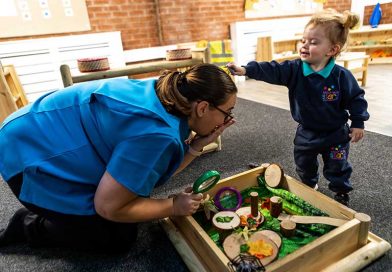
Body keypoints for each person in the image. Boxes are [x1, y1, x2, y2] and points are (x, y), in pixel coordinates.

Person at [0, 63, 237, 251]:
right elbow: (108, 207)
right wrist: (173, 206)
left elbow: (153, 169)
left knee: (135, 197)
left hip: (30, 127)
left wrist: (196, 146)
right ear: (203, 108)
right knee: (117, 236)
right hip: (26, 158)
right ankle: (30, 224)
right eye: (227, 113)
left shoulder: (168, 92)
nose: (226, 122)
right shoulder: (158, 134)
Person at [228, 9, 369, 206]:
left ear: (332, 50)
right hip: (307, 133)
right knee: (304, 164)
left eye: (313, 42)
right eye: (303, 40)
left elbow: (356, 98)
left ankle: (341, 191)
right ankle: (309, 186)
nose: (304, 45)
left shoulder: (341, 76)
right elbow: (272, 69)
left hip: (336, 134)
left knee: (338, 166)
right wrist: (246, 70)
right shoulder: (294, 70)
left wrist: (358, 122)